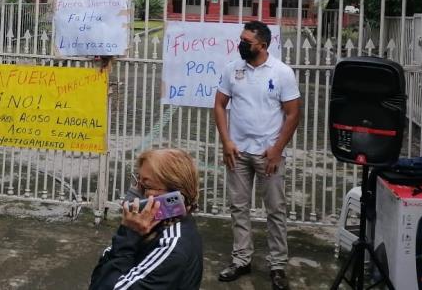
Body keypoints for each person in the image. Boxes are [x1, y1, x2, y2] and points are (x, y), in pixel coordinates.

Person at [213, 21, 301, 290]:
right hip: (237, 153)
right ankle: (241, 260)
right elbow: (219, 104)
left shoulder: (282, 73)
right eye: (240, 39)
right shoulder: (233, 70)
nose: (241, 45)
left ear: (262, 45)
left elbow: (293, 113)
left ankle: (277, 265)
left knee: (275, 210)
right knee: (238, 207)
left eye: (246, 41)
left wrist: (277, 150)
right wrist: (226, 142)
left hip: (268, 154)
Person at [89, 148, 203, 290]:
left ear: (173, 198)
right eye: (137, 181)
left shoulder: (171, 245)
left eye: (146, 186)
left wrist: (128, 235)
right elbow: (99, 275)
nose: (136, 192)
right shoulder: (150, 225)